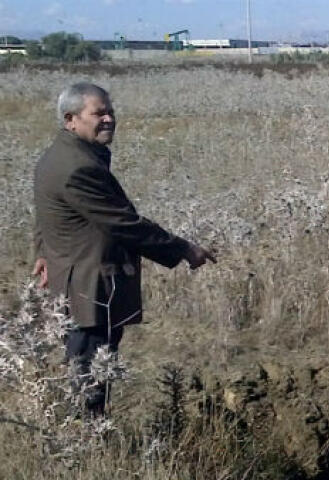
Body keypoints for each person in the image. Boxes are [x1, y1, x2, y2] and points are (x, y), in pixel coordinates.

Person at [31, 82, 216, 416]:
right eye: (98, 113)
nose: (109, 119)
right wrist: (183, 249)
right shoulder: (78, 166)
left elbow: (48, 208)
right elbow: (123, 223)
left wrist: (43, 251)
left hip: (78, 276)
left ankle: (89, 437)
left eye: (111, 111)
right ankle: (89, 447)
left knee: (90, 368)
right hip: (88, 287)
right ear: (71, 119)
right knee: (90, 376)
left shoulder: (64, 153)